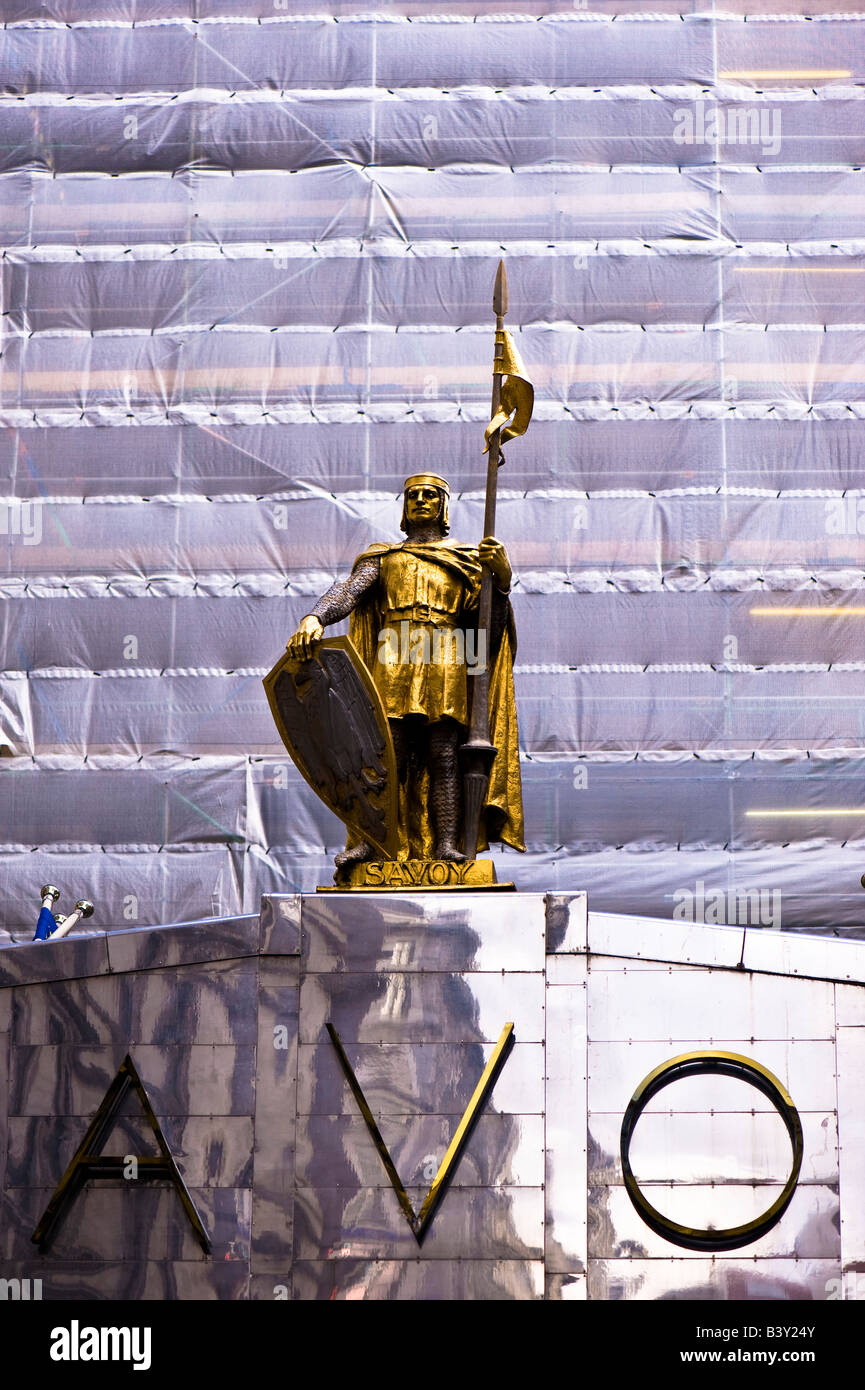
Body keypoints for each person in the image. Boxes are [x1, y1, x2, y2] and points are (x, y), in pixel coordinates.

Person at [287, 473, 524, 872]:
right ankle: (371, 842)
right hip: (394, 653)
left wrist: (500, 581)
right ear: (404, 506)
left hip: (445, 654)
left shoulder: (466, 560)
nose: (421, 500)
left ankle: (447, 845)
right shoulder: (385, 557)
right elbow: (349, 591)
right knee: (384, 755)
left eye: (431, 495)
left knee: (443, 755)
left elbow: (487, 631)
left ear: (443, 506)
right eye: (413, 495)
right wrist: (315, 617)